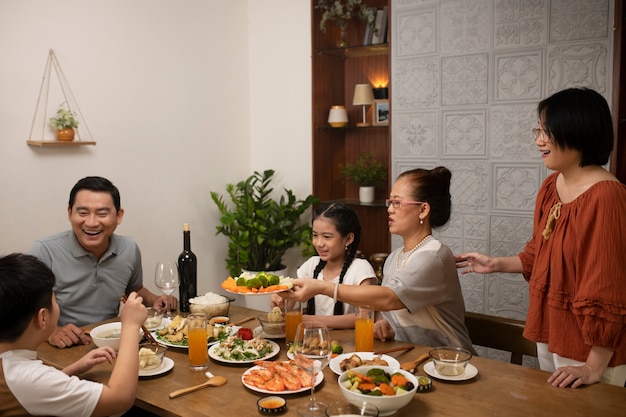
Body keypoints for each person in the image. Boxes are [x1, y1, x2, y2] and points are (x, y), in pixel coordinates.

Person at [455, 88, 626, 388]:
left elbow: (608, 287)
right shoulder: (552, 186)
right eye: (539, 130)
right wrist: (495, 264)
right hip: (553, 331)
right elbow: (541, 254)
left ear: (579, 130)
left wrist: (593, 367)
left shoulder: (607, 196)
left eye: (548, 131)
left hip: (591, 350)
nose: (539, 140)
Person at [280, 167, 475, 352]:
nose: (390, 209)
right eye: (389, 202)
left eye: (397, 203)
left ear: (423, 210)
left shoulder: (433, 256)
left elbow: (389, 298)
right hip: (412, 354)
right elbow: (390, 311)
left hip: (449, 361)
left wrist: (322, 287)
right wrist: (386, 325)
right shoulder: (394, 258)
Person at [29, 176, 176, 349]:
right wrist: (53, 332)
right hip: (64, 345)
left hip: (113, 340)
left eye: (102, 214)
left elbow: (134, 290)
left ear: (119, 216)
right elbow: (26, 311)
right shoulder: (44, 251)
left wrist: (155, 299)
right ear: (69, 213)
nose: (91, 222)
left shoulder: (129, 248)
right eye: (83, 213)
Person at [0, 253, 147, 417]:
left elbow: (37, 391)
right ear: (43, 318)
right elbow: (120, 399)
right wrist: (131, 325)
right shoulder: (22, 376)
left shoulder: (12, 366)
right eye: (55, 300)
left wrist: (73, 369)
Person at [271, 202, 377, 329]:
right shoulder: (311, 265)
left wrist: (312, 320)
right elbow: (291, 303)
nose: (319, 243)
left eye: (327, 237)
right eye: (315, 235)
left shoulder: (360, 269)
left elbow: (364, 316)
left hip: (349, 343)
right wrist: (281, 302)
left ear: (348, 239)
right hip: (313, 343)